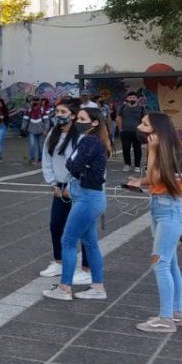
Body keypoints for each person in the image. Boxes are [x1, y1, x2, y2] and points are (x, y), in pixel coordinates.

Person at [124, 113, 182, 332]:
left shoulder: (170, 152)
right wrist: (139, 181)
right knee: (171, 264)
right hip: (162, 210)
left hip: (170, 213)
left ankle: (165, 319)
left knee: (160, 264)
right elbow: (158, 180)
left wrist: (152, 151)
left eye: (145, 124)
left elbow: (158, 178)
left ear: (157, 130)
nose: (140, 127)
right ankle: (176, 313)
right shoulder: (167, 150)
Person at [42, 105, 112, 301]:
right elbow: (74, 164)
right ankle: (98, 287)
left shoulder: (89, 140)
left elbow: (72, 165)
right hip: (90, 197)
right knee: (90, 243)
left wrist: (76, 165)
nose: (78, 123)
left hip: (87, 198)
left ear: (95, 122)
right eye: (78, 119)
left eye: (82, 119)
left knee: (68, 241)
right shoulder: (94, 140)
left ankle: (64, 288)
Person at [38, 98, 92, 284]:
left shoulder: (81, 136)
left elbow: (82, 164)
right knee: (56, 226)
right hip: (59, 188)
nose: (58, 115)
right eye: (57, 111)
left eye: (63, 112)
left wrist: (71, 185)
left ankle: (87, 269)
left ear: (73, 115)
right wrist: (53, 183)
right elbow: (46, 158)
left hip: (79, 188)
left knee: (83, 229)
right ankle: (58, 262)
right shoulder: (53, 133)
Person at [117, 93, 147, 172]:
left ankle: (137, 166)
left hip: (137, 132)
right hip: (125, 131)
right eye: (130, 97)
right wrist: (120, 129)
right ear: (127, 98)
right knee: (126, 148)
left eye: (134, 97)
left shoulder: (141, 108)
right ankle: (127, 164)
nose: (132, 99)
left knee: (137, 149)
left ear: (137, 99)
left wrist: (143, 130)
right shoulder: (123, 107)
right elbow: (119, 118)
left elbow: (144, 119)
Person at [23, 99, 50, 167]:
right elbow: (25, 120)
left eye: (37, 101)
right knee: (32, 145)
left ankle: (40, 159)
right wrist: (23, 127)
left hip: (41, 131)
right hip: (31, 130)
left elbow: (46, 121)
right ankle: (32, 159)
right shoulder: (29, 111)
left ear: (39, 102)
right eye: (34, 101)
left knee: (41, 146)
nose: (35, 102)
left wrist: (46, 130)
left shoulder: (42, 110)